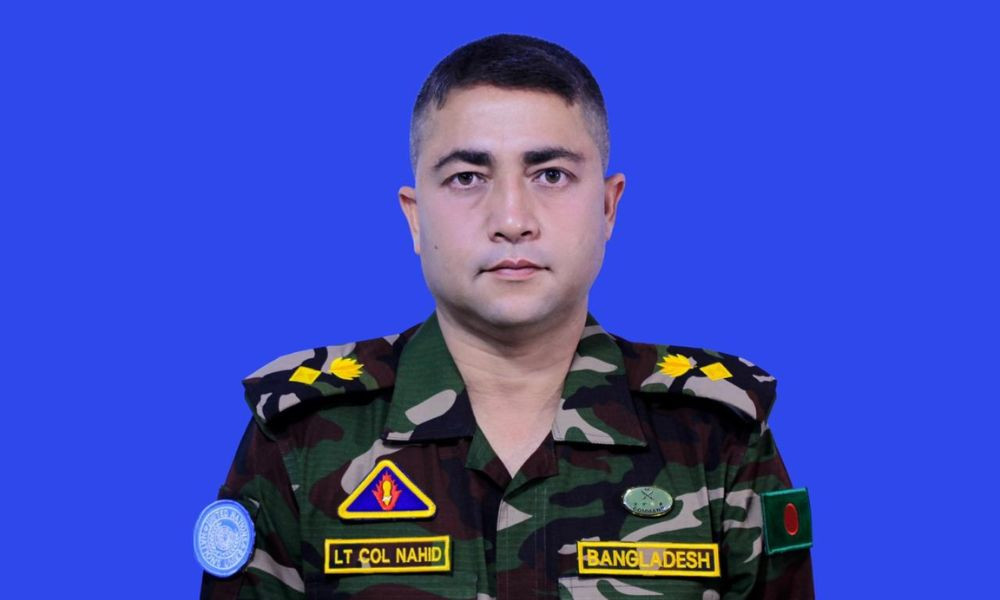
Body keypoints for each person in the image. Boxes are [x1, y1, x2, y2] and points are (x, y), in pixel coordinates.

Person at [197, 33, 815, 599]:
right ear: (415, 216)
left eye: (551, 174)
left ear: (608, 207)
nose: (512, 219)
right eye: (468, 177)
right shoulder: (302, 436)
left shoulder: (716, 436)